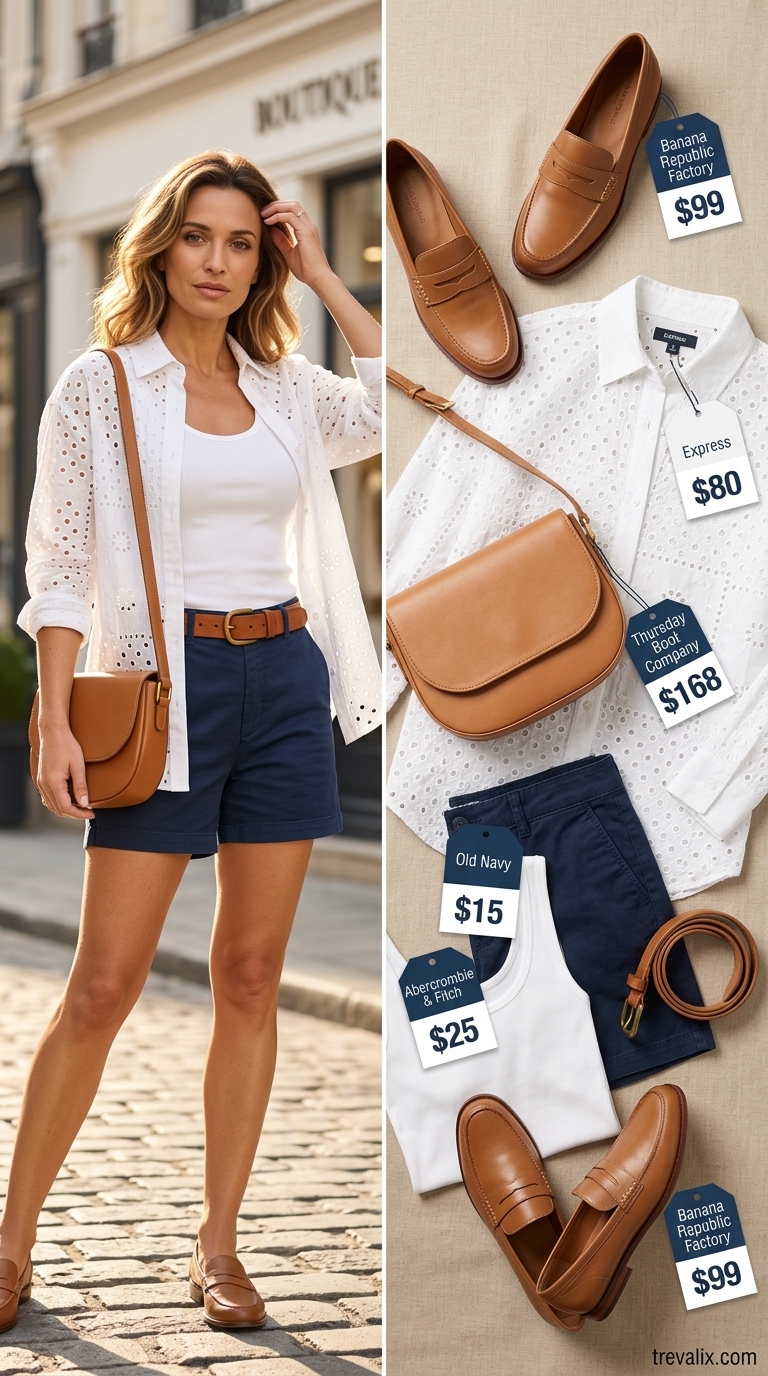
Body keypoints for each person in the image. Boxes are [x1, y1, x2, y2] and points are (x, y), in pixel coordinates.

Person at [0, 150, 382, 1333]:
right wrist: (57, 710)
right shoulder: (102, 385)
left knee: (252, 976)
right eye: (199, 238)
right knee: (104, 983)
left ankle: (217, 1244)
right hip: (166, 689)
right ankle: (10, 1244)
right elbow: (59, 561)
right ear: (161, 247)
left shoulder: (286, 387)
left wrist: (323, 270)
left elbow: (399, 400)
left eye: (242, 242)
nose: (219, 262)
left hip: (283, 675)